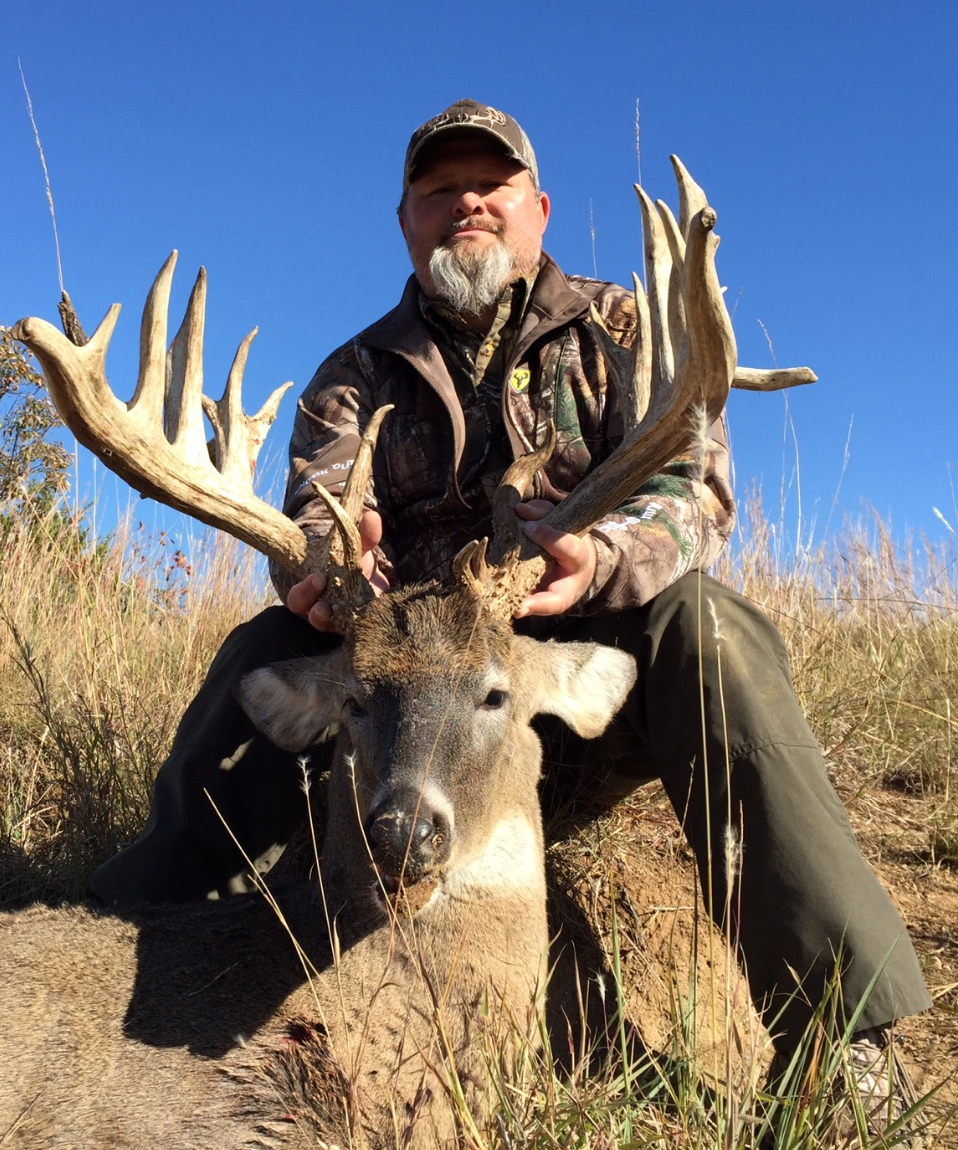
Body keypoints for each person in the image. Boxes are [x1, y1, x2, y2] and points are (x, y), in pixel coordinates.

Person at [90, 100, 931, 1133]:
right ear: (406, 219)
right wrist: (321, 556)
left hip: (565, 685)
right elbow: (318, 500)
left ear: (536, 206)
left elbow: (694, 489)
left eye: (488, 186)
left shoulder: (622, 330)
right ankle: (117, 934)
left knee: (708, 631)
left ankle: (840, 1037)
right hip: (403, 718)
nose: (466, 205)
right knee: (262, 652)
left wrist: (605, 556)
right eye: (439, 190)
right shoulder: (352, 378)